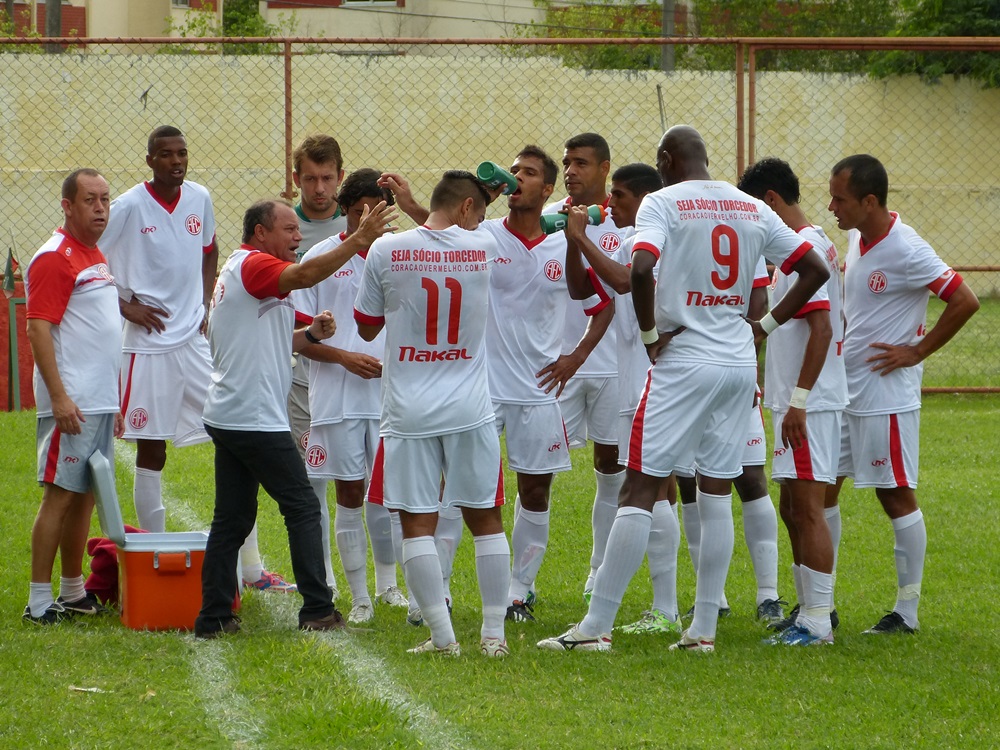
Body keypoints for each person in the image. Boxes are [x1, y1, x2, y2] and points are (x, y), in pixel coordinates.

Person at [538, 125, 829, 653]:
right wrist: (759, 329)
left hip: (684, 360)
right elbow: (813, 268)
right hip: (739, 363)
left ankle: (594, 627)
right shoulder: (750, 207)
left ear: (666, 160)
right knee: (716, 492)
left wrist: (650, 335)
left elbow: (641, 270)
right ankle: (703, 630)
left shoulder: (663, 203)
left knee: (639, 488)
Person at [193, 197, 398, 638]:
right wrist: (359, 239)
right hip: (252, 416)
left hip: (232, 412)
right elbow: (306, 274)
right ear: (260, 232)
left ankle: (214, 617)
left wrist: (308, 334)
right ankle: (318, 611)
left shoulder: (244, 268)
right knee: (304, 506)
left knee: (231, 518)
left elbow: (269, 339)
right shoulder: (256, 266)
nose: (298, 236)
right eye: (288, 229)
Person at [101, 125, 294, 593]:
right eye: (166, 154)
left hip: (194, 343)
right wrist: (127, 306)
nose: (176, 161)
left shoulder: (200, 198)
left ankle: (251, 569)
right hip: (146, 347)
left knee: (236, 438)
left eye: (182, 153)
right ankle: (160, 557)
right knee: (153, 449)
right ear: (150, 160)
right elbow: (94, 260)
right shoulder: (127, 206)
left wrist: (208, 302)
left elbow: (209, 252)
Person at [356, 170, 512, 657]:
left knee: (416, 523)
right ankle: (494, 636)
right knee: (485, 519)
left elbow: (364, 327)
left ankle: (444, 638)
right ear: (468, 208)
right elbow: (449, 238)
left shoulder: (385, 249)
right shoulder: (485, 245)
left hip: (409, 410)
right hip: (470, 407)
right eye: (480, 211)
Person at [827, 154, 979, 635]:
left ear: (870, 201)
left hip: (884, 395)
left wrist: (917, 351)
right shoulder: (856, 236)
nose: (832, 207)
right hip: (846, 390)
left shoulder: (908, 248)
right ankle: (819, 604)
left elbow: (964, 299)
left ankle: (906, 612)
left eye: (840, 199)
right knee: (823, 489)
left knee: (895, 496)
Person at [481, 146, 612, 622]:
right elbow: (435, 234)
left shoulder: (564, 242)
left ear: (548, 190)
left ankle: (520, 590)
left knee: (535, 493)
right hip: (483, 387)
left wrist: (575, 358)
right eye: (513, 170)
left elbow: (602, 307)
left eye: (529, 173)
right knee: (460, 488)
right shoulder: (483, 235)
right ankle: (435, 597)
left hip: (538, 391)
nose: (517, 177)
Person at [562, 162, 683, 635]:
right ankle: (672, 607)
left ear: (646, 199)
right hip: (644, 377)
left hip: (653, 379)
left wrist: (582, 239)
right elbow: (589, 291)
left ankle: (664, 609)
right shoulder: (649, 235)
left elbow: (623, 281)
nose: (611, 204)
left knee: (651, 492)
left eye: (621, 196)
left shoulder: (647, 240)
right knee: (659, 491)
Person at [738, 157, 848, 645]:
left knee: (808, 508)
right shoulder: (795, 253)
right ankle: (808, 609)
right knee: (792, 507)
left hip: (811, 402)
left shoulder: (807, 248)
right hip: (793, 400)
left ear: (770, 203)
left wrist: (800, 401)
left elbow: (822, 329)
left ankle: (818, 621)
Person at [292, 169, 407, 623]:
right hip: (336, 397)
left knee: (387, 496)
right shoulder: (320, 258)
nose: (369, 220)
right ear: (345, 210)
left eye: (376, 211)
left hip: (387, 397)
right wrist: (343, 357)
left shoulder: (400, 255)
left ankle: (389, 586)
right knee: (349, 494)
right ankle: (358, 597)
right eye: (360, 211)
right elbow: (300, 337)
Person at [24, 169, 124, 624]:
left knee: (86, 495)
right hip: (73, 403)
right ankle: (39, 600)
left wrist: (115, 400)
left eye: (105, 199)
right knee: (60, 496)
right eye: (90, 200)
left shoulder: (94, 253)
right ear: (67, 205)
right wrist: (60, 397)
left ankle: (73, 589)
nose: (100, 208)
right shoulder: (53, 257)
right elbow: (38, 327)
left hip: (99, 401)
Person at [542, 133, 627, 603]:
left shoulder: (628, 220)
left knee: (610, 469)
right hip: (559, 366)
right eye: (567, 163)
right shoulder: (549, 218)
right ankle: (524, 586)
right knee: (538, 471)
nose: (571, 171)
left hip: (613, 365)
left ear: (605, 169)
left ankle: (598, 571)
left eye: (581, 164)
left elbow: (620, 295)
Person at [288, 134, 349, 461]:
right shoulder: (283, 225)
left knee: (363, 472)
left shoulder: (360, 224)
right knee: (312, 465)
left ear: (341, 176)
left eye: (327, 178)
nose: (320, 188)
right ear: (297, 179)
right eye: (310, 179)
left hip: (357, 358)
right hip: (305, 362)